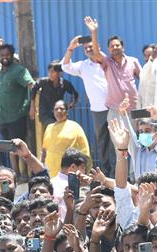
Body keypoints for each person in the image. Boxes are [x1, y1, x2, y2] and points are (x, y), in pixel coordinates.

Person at [62, 35, 112, 174]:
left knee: (116, 143)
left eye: (91, 46)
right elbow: (65, 66)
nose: (89, 49)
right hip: (98, 110)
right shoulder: (83, 66)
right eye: (86, 48)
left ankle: (118, 175)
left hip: (114, 108)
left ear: (98, 47)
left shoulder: (108, 62)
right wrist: (71, 48)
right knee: (102, 143)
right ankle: (107, 174)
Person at [85, 16, 141, 119]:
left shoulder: (133, 61)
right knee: (116, 135)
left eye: (117, 45)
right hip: (115, 109)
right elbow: (96, 53)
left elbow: (143, 80)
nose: (115, 47)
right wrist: (94, 32)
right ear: (108, 49)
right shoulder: (107, 62)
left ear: (123, 47)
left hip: (133, 108)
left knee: (135, 135)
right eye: (112, 46)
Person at [0, 43, 34, 176]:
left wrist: (32, 106)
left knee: (19, 147)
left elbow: (31, 85)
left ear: (12, 55)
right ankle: (15, 174)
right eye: (2, 55)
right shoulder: (1, 72)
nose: (4, 57)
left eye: (7, 55)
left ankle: (24, 175)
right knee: (10, 148)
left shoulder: (18, 70)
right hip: (3, 117)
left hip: (16, 116)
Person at [41, 100, 89, 177]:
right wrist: (41, 167)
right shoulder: (49, 128)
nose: (59, 111)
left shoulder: (75, 127)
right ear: (53, 112)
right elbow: (44, 150)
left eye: (62, 109)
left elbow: (84, 151)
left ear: (67, 112)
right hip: (50, 174)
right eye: (56, 109)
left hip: (69, 174)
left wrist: (84, 172)